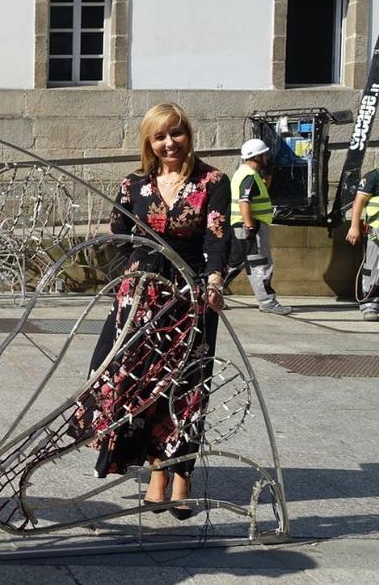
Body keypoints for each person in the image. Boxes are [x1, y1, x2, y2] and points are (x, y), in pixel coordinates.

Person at [76, 103, 228, 521]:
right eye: (160, 136)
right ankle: (154, 471)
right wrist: (136, 277)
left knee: (186, 387)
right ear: (149, 141)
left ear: (188, 134)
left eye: (176, 133)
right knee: (137, 385)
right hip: (140, 297)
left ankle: (181, 474)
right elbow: (118, 236)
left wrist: (213, 282)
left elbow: (218, 239)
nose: (169, 143)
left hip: (189, 297)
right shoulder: (134, 185)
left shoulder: (213, 181)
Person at [228, 138, 291, 315]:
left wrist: (268, 175)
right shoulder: (248, 176)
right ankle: (267, 302)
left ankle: (210, 293)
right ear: (257, 156)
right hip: (250, 226)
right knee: (260, 265)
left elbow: (258, 190)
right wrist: (249, 225)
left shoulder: (247, 173)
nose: (267, 157)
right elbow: (244, 200)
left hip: (242, 225)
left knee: (237, 262)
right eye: (265, 154)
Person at [346, 165, 379, 320]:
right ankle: (369, 304)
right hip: (376, 230)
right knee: (372, 267)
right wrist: (354, 227)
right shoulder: (374, 176)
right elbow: (359, 201)